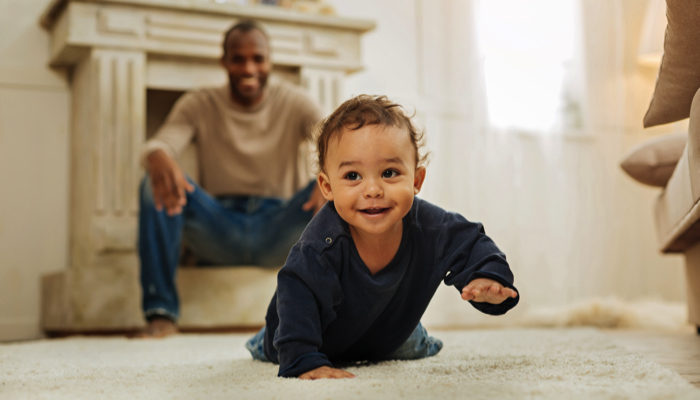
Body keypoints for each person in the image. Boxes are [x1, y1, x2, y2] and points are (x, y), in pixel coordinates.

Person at [245, 95, 520, 379]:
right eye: (353, 176)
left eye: (389, 173)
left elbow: (471, 242)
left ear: (416, 180)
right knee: (278, 341)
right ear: (327, 187)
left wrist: (488, 277)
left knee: (408, 343)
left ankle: (415, 338)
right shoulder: (319, 246)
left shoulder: (433, 228)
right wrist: (303, 359)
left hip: (387, 334)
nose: (373, 190)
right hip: (315, 334)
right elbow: (296, 292)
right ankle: (263, 340)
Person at [136, 20, 326, 338]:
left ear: (270, 61)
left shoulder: (294, 101)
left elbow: (332, 138)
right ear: (224, 62)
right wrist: (157, 155)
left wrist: (329, 176)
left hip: (279, 227)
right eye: (238, 59)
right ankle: (161, 313)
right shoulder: (199, 102)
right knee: (153, 183)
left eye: (258, 58)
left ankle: (340, 312)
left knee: (340, 186)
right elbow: (163, 142)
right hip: (219, 227)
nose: (249, 67)